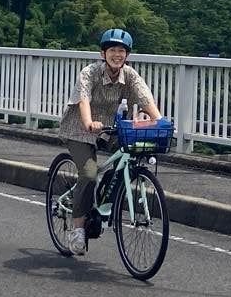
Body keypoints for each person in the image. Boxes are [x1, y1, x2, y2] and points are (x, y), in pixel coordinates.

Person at [56, 28, 163, 255]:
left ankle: (105, 199)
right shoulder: (90, 73)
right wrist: (89, 122)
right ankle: (78, 229)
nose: (117, 55)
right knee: (89, 174)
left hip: (111, 129)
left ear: (127, 55)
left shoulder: (130, 75)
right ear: (102, 54)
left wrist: (160, 122)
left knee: (132, 156)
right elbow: (84, 100)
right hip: (80, 129)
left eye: (121, 51)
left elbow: (146, 99)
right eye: (112, 50)